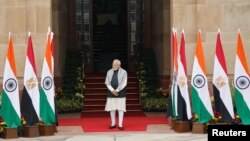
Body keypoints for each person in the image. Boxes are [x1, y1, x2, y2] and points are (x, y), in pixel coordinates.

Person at [105, 59, 127, 130]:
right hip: (111, 92)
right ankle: (113, 123)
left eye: (115, 65)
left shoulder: (124, 72)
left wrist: (117, 90)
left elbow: (124, 83)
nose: (113, 66)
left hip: (121, 92)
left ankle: (120, 125)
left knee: (120, 109)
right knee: (112, 109)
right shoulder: (109, 72)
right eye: (113, 64)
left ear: (119, 65)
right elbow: (107, 82)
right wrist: (112, 90)